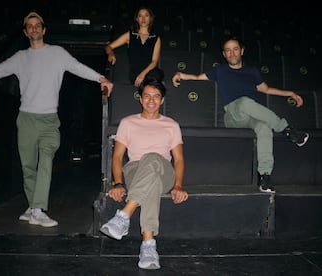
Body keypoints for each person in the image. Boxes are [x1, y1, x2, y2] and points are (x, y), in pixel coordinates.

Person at [0, 11, 113, 227]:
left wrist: (101, 78)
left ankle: (38, 209)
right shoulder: (20, 58)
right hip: (26, 119)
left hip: (49, 120)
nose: (34, 28)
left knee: (45, 162)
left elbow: (78, 67)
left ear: (44, 30)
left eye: (38, 25)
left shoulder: (57, 53)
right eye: (30, 26)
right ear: (26, 32)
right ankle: (32, 207)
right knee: (28, 167)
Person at [171, 36, 309, 193]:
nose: (232, 53)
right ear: (224, 54)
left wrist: (290, 93)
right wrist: (181, 75)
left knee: (264, 128)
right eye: (228, 50)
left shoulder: (252, 72)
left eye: (235, 49)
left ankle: (264, 176)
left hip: (251, 116)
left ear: (242, 51)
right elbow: (197, 77)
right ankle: (287, 130)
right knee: (244, 102)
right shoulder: (220, 70)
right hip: (232, 115)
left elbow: (267, 89)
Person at [99, 74, 188, 270]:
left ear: (162, 100)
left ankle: (123, 216)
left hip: (164, 171)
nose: (151, 100)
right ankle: (148, 245)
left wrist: (178, 185)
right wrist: (118, 183)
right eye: (147, 96)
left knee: (153, 158)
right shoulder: (128, 122)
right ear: (140, 98)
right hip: (134, 171)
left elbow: (179, 159)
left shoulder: (171, 125)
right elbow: (117, 157)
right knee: (151, 182)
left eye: (156, 96)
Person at [105, 6, 161, 87]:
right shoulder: (130, 35)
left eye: (146, 15)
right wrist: (110, 53)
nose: (143, 18)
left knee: (153, 82)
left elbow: (154, 61)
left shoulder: (156, 38)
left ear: (150, 18)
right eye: (140, 16)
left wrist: (143, 74)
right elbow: (108, 47)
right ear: (137, 19)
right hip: (135, 73)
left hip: (151, 73)